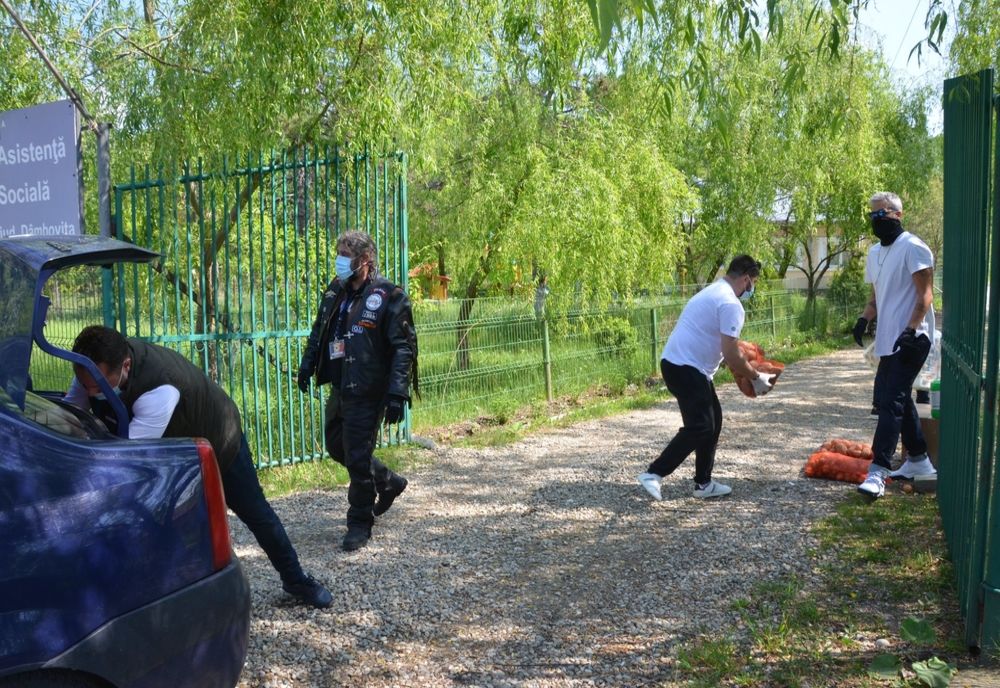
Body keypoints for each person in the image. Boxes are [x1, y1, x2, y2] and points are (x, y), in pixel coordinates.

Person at [65, 326, 333, 608]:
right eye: (85, 384)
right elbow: (74, 413)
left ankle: (296, 579)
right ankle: (169, 597)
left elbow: (126, 460)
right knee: (166, 522)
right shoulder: (93, 370)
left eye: (97, 385)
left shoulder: (158, 390)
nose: (90, 391)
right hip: (173, 443)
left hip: (219, 437)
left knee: (256, 514)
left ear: (125, 366)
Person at [298, 231, 417, 551]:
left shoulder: (389, 296)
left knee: (358, 453)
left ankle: (360, 521)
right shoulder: (335, 291)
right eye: (338, 252)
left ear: (365, 260)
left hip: (369, 390)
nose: (339, 259)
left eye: (345, 254)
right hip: (340, 387)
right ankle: (388, 482)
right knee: (338, 447)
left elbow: (402, 348)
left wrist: (397, 393)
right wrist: (307, 365)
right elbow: (319, 331)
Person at [637, 255, 775, 501]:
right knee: (701, 426)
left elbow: (722, 347)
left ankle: (703, 483)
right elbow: (731, 353)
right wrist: (755, 377)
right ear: (745, 279)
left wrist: (739, 365)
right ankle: (653, 473)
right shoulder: (731, 304)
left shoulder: (713, 291)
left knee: (714, 421)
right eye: (753, 282)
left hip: (681, 364)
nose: (752, 289)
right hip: (686, 367)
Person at [852, 192, 937, 498]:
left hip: (914, 338)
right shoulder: (874, 253)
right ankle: (919, 460)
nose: (876, 221)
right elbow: (876, 296)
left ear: (897, 215)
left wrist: (912, 329)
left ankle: (878, 472)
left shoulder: (913, 248)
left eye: (881, 215)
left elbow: (925, 296)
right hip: (888, 339)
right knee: (898, 398)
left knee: (890, 402)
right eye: (872, 216)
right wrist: (864, 318)